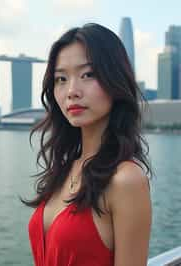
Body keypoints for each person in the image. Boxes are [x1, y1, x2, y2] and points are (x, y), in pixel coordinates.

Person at [23, 23, 152, 266]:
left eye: (88, 75)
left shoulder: (126, 180)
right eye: (61, 79)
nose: (72, 91)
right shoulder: (64, 169)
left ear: (115, 80)